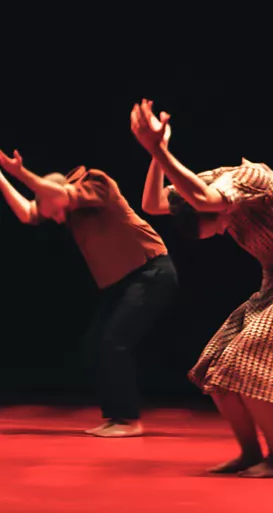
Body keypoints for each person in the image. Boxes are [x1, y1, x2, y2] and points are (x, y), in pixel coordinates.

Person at [131, 99, 273, 478]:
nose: (221, 233)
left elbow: (200, 199)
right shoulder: (211, 185)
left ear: (220, 211)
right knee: (214, 369)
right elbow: (153, 204)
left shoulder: (249, 182)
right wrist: (155, 153)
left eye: (215, 228)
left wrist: (159, 148)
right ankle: (250, 452)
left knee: (244, 365)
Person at [0, 149, 178, 438]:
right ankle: (115, 416)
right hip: (124, 281)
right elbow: (27, 213)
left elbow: (56, 196)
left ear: (58, 195)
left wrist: (19, 172)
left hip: (150, 271)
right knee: (95, 343)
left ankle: (129, 420)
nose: (58, 220)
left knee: (114, 341)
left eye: (55, 211)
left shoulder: (97, 183)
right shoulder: (68, 210)